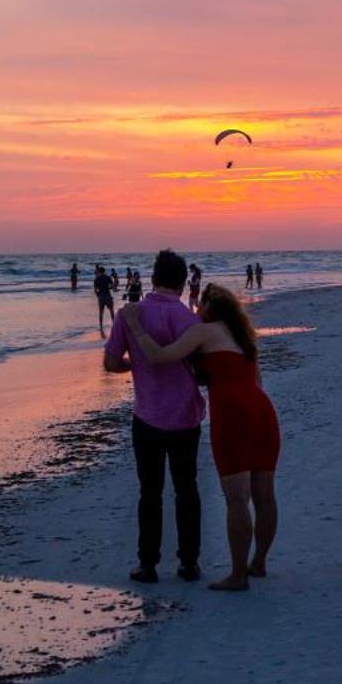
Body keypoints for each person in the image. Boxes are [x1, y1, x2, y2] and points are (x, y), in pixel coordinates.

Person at [123, 284, 279, 592]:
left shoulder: (204, 332)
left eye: (200, 304)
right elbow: (256, 379)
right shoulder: (243, 337)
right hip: (262, 410)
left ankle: (238, 576)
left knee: (237, 498)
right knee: (264, 496)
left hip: (232, 414)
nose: (195, 310)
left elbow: (159, 356)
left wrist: (134, 324)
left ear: (209, 306)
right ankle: (258, 562)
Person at [104, 250, 205, 583]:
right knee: (186, 489)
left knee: (150, 492)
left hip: (146, 415)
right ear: (181, 281)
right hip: (185, 416)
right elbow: (200, 368)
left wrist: (138, 365)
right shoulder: (188, 318)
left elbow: (111, 363)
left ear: (153, 277)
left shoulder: (131, 314)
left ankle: (147, 564)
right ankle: (189, 563)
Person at [93, 265, 117, 334]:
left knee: (101, 312)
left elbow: (95, 290)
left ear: (99, 272)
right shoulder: (108, 277)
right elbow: (112, 286)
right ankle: (114, 324)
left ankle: (101, 326)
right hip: (108, 295)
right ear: (104, 271)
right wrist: (114, 289)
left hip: (101, 296)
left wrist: (98, 295)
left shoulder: (96, 279)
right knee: (111, 311)